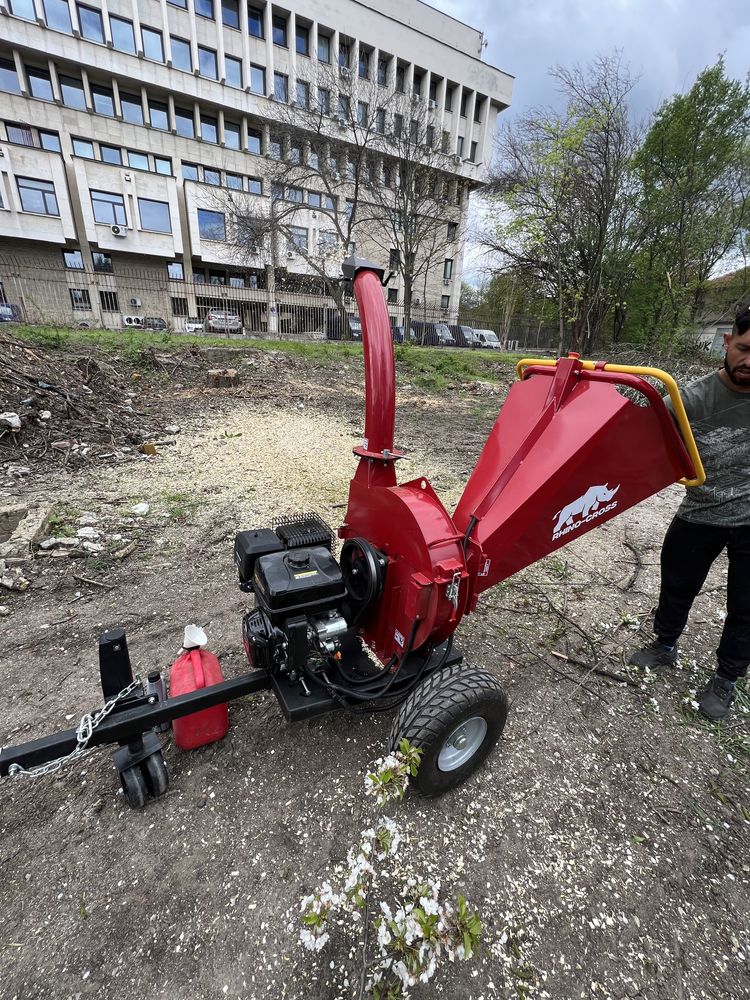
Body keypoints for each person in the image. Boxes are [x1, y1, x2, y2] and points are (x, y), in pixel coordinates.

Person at [629, 304, 750, 720]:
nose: (749, 362)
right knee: (677, 583)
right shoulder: (691, 400)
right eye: (745, 349)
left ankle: (727, 677)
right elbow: (636, 440)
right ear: (727, 341)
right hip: (701, 510)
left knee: (746, 605)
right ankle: (664, 645)